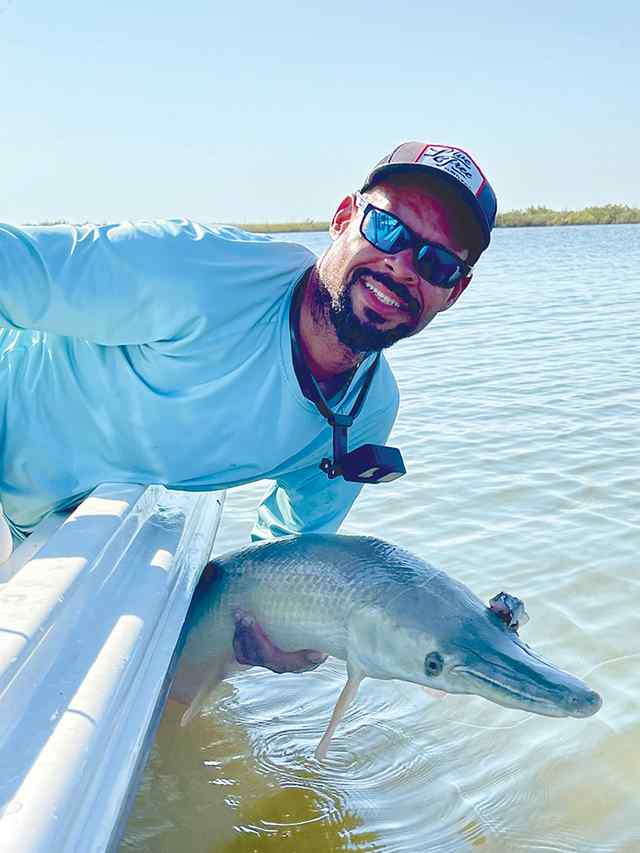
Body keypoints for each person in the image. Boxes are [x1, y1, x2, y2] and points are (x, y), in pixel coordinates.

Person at [0, 141, 496, 666]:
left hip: (61, 519)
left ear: (455, 291)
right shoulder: (196, 270)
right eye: (388, 228)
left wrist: (266, 637)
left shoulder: (369, 411)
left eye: (436, 262)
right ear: (344, 218)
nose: (401, 265)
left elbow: (283, 555)